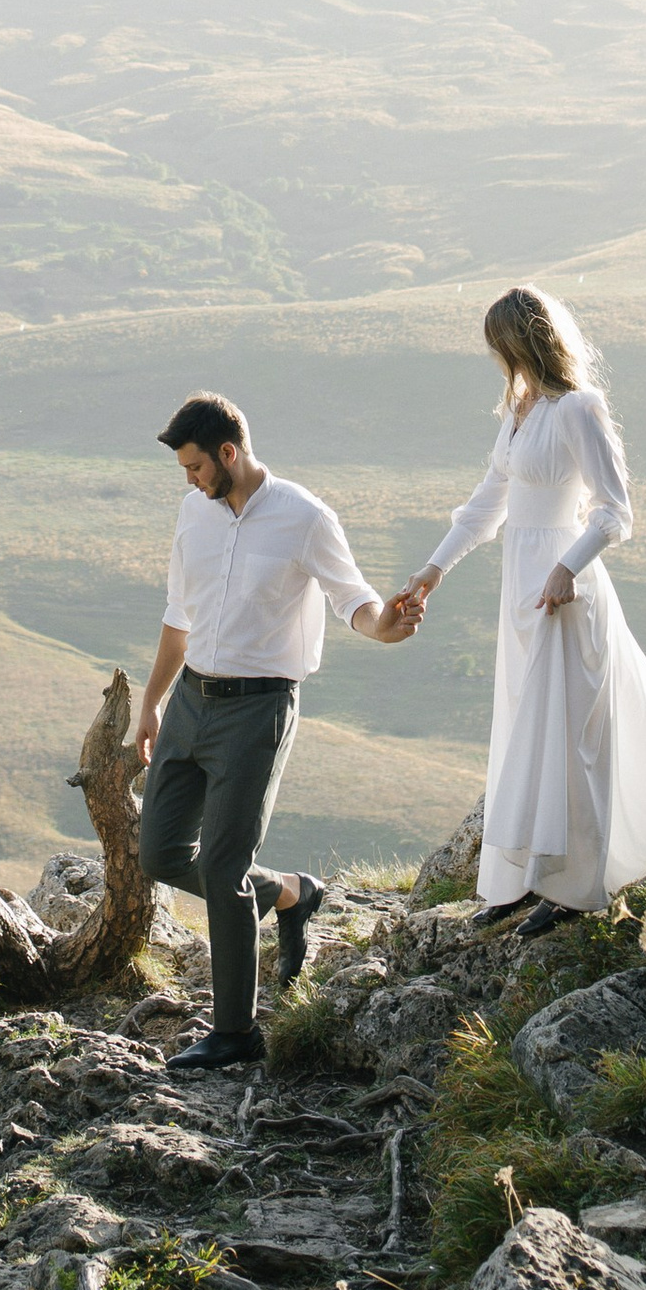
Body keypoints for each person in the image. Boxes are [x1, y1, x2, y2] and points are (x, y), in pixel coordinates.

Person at [388, 285, 646, 932]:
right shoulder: (518, 412)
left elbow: (616, 511)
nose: (498, 360)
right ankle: (516, 883)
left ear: (524, 342)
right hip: (522, 591)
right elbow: (487, 504)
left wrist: (568, 567)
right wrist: (431, 571)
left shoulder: (578, 409)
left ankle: (575, 893)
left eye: (502, 347)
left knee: (575, 743)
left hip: (567, 590)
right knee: (525, 733)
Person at [137, 391, 418, 1071]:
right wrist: (150, 703)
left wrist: (383, 627)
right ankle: (292, 894)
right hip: (189, 703)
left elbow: (352, 597)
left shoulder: (304, 518)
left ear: (229, 454)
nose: (190, 481)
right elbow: (180, 613)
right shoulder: (192, 512)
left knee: (222, 867)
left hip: (257, 710)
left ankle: (235, 1032)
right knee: (162, 854)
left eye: (197, 467)